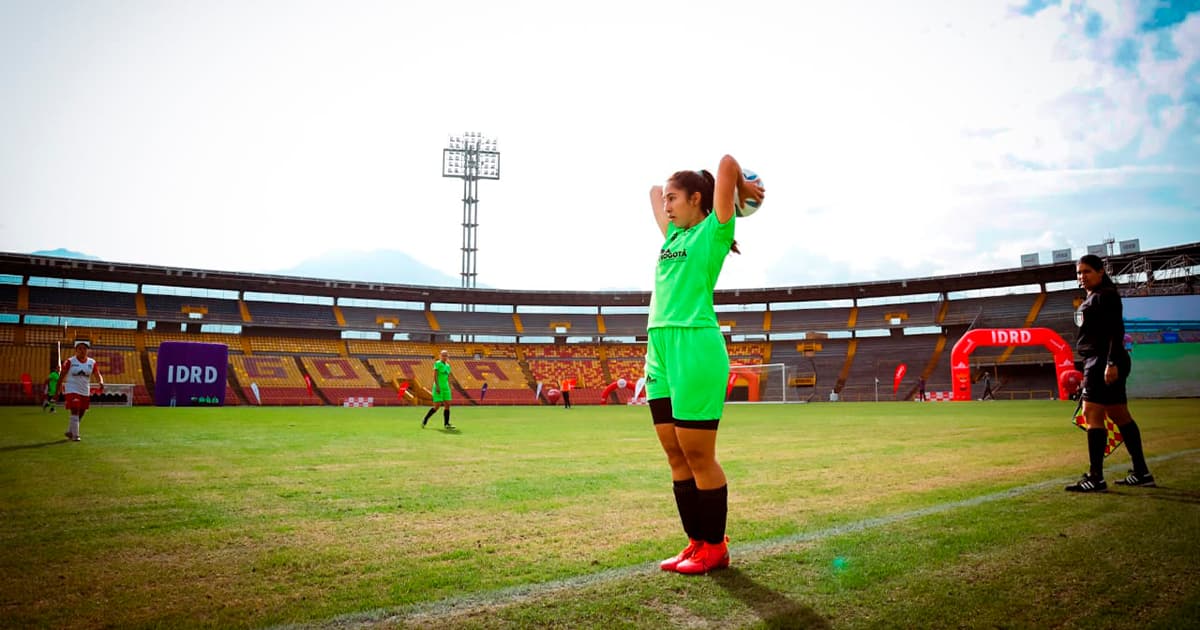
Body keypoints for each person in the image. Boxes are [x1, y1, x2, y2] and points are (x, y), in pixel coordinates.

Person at [646, 155, 764, 575]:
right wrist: (670, 194)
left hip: (695, 344)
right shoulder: (672, 235)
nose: (667, 205)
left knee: (698, 455)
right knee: (674, 454)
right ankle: (696, 543)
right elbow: (653, 193)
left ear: (698, 199)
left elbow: (727, 161)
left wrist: (737, 192)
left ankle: (716, 547)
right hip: (659, 347)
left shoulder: (712, 232)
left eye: (676, 199)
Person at [1066, 254, 1155, 492]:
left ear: (1100, 271)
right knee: (1119, 414)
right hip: (1101, 359)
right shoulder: (1096, 296)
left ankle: (1096, 477)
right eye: (1079, 273)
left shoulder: (1105, 296)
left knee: (1091, 412)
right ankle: (1142, 471)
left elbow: (1117, 330)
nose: (1081, 277)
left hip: (1103, 360)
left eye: (1086, 272)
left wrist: (1111, 362)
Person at [59, 340, 103, 442]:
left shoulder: (92, 362)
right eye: (80, 348)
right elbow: (62, 376)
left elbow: (97, 374)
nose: (82, 350)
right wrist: (59, 387)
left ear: (87, 350)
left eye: (85, 348)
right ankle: (76, 435)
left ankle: (70, 431)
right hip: (72, 389)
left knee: (82, 412)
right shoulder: (70, 361)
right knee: (75, 409)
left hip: (84, 390)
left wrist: (100, 381)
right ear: (76, 350)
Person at [421, 349, 455, 429]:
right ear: (440, 356)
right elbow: (435, 376)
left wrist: (450, 387)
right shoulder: (437, 364)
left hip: (446, 388)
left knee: (447, 405)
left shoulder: (448, 366)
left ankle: (446, 424)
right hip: (438, 387)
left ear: (448, 356)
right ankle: (425, 419)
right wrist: (437, 386)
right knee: (437, 406)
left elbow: (448, 377)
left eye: (446, 355)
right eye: (443, 355)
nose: (444, 357)